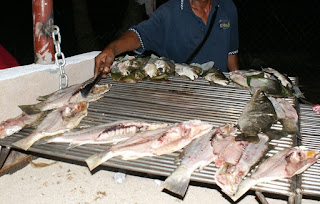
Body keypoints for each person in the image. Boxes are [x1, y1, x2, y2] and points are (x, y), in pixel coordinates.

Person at [95, 0, 239, 78]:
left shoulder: (228, 7)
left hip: (219, 89)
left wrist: (237, 83)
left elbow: (231, 53)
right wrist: (112, 49)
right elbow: (139, 35)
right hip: (182, 94)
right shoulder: (169, 12)